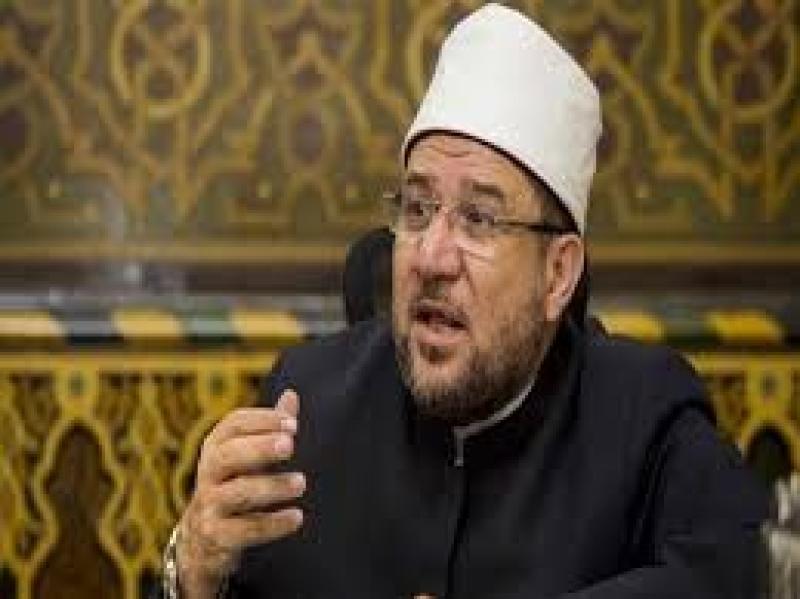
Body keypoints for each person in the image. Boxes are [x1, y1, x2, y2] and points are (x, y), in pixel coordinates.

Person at [162, 4, 768, 598]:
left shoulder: (645, 419)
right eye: (417, 209)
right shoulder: (305, 408)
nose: (432, 258)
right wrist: (191, 573)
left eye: (479, 219)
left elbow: (735, 577)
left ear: (558, 274)